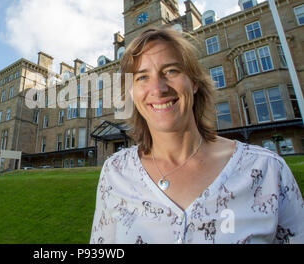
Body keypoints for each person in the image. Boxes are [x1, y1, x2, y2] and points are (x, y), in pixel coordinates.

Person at [90, 27, 304, 244]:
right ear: (131, 94)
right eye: (142, 77)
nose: (158, 88)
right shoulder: (115, 172)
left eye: (171, 71)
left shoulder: (266, 169)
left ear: (194, 83)